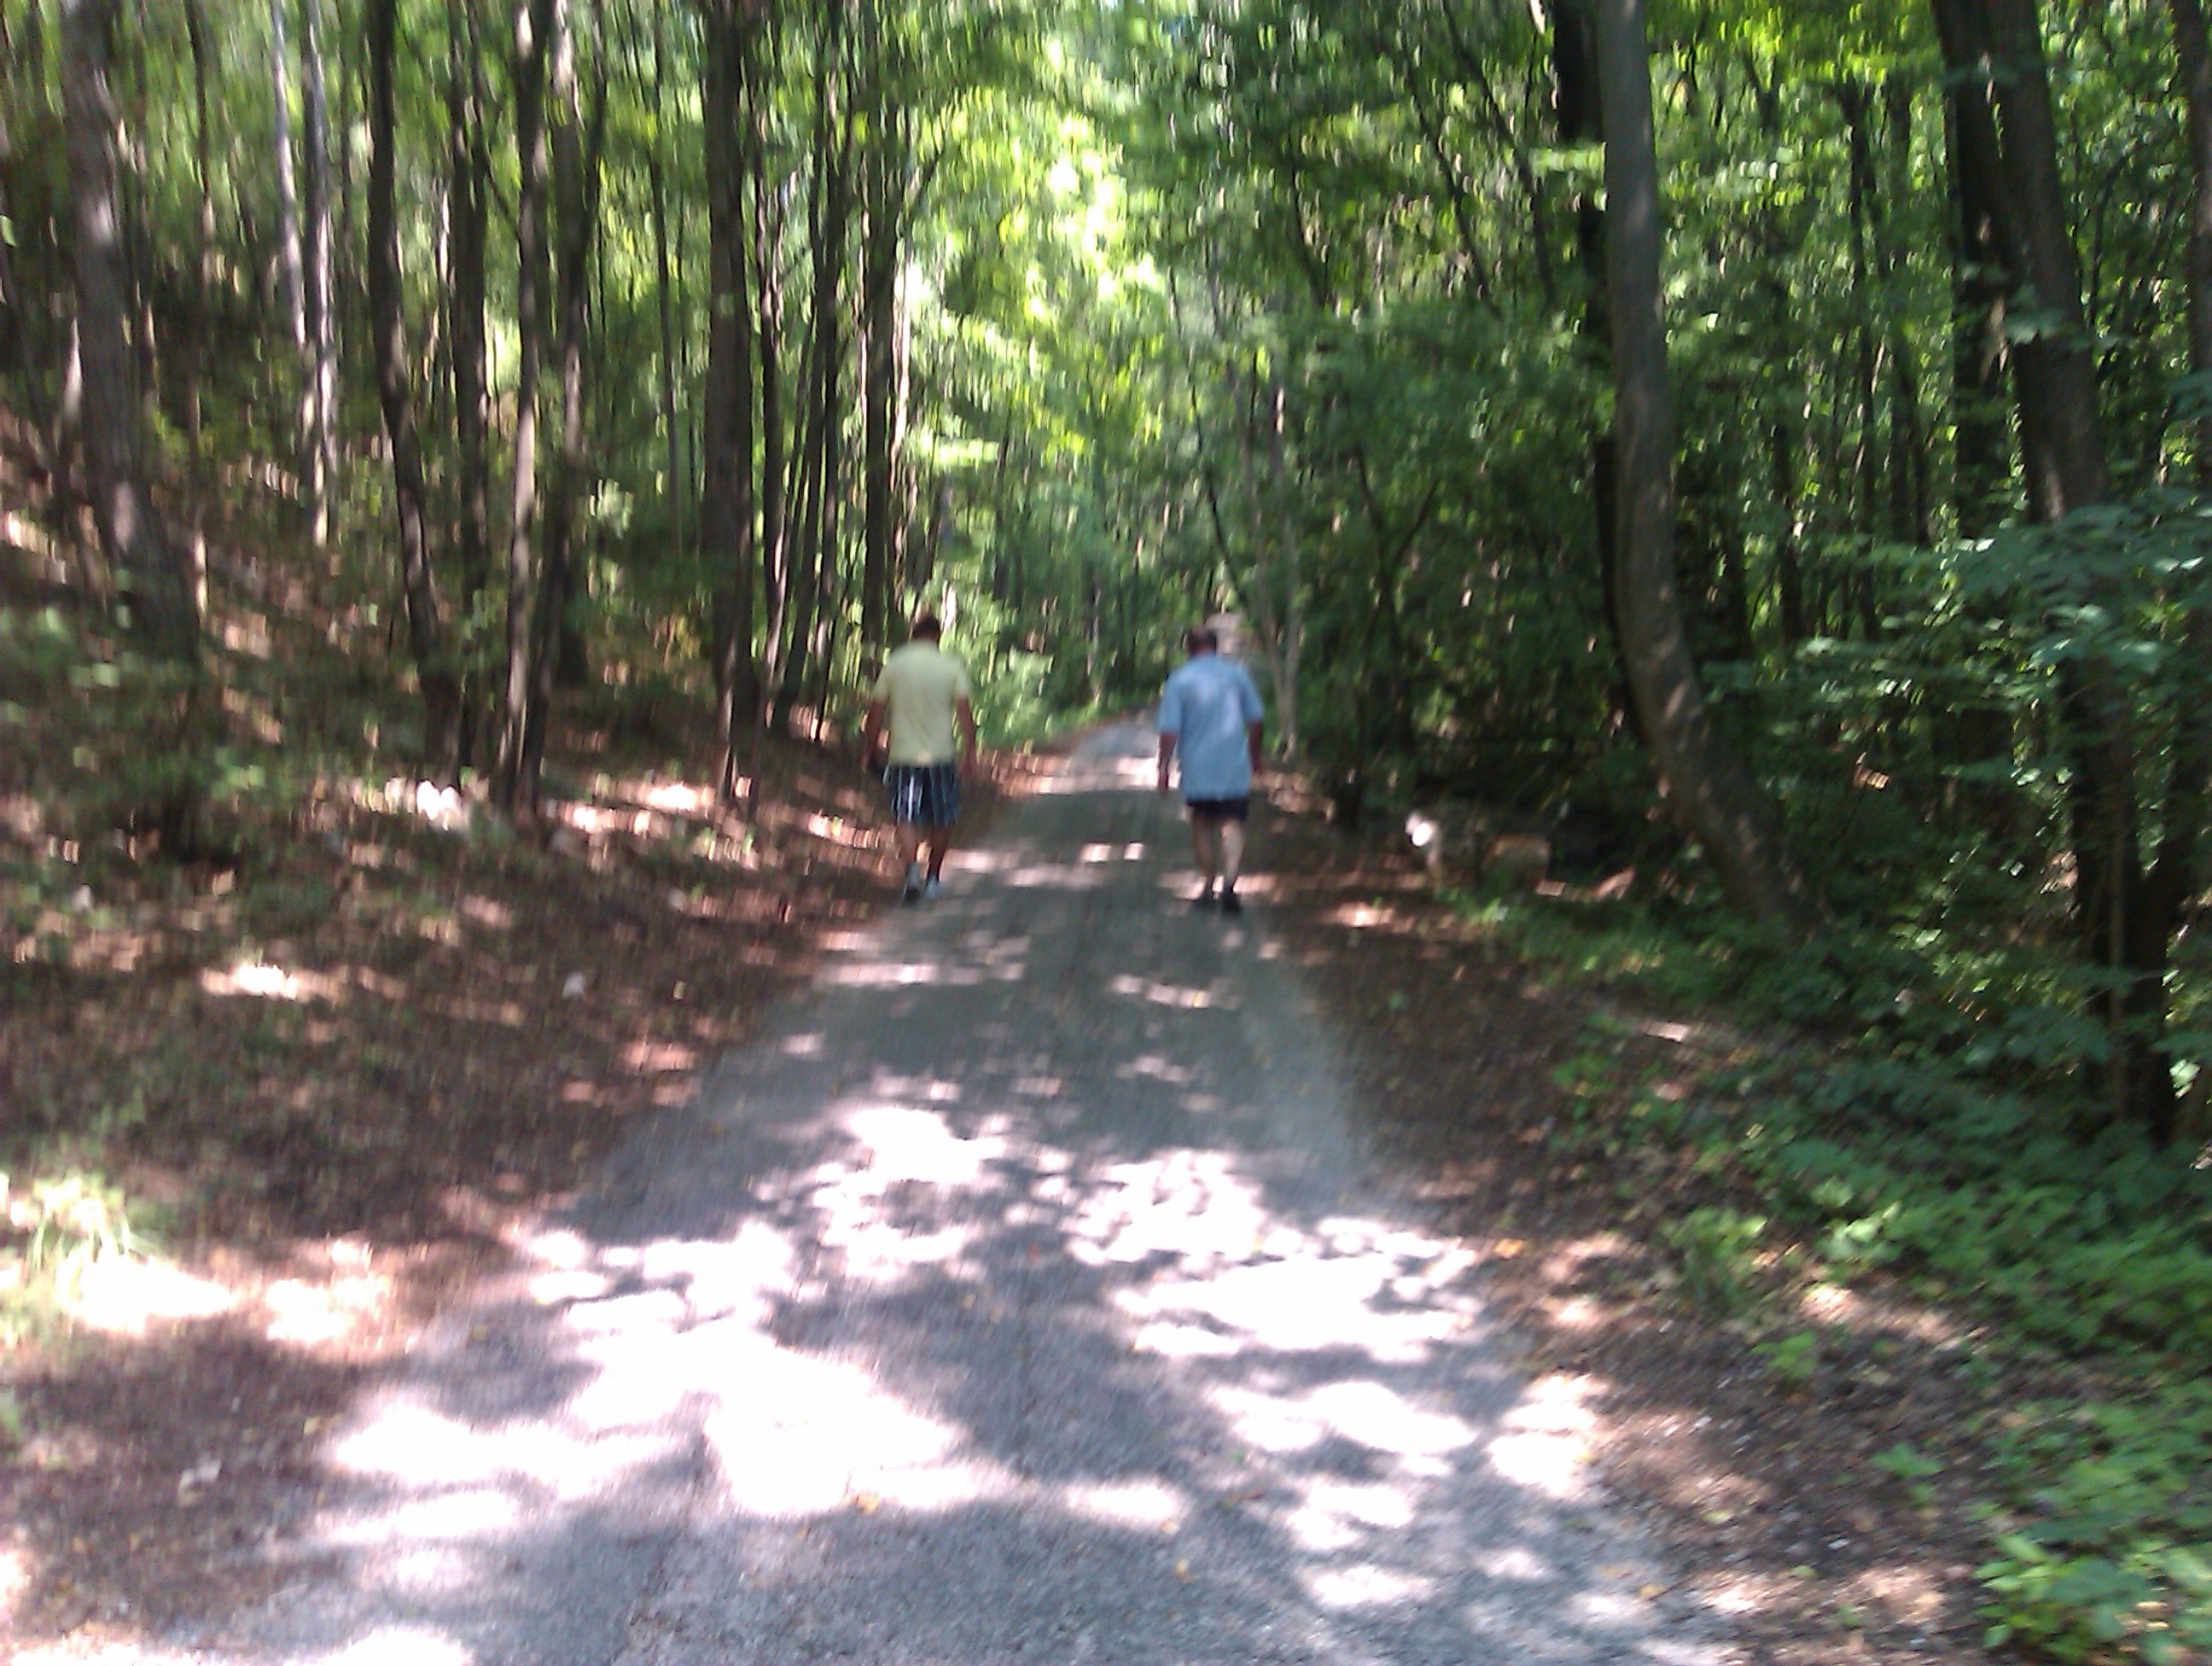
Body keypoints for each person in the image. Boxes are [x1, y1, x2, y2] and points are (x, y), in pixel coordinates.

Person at [861, 612, 978, 902]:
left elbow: (875, 713)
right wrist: (969, 753)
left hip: (904, 755)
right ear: (937, 637)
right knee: (942, 818)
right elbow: (965, 715)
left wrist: (870, 749)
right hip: (940, 755)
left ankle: (912, 874)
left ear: (914, 635)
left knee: (905, 816)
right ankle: (933, 879)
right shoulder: (950, 667)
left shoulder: (895, 665)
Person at [1156, 624, 1265, 913]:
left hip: (1197, 767)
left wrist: (1163, 767)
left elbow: (1169, 730)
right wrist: (1255, 756)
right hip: (1233, 764)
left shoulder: (1179, 680)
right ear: (1216, 647)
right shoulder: (1237, 674)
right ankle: (1229, 884)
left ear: (1189, 649)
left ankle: (1207, 887)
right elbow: (1256, 719)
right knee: (1233, 823)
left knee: (1202, 824)